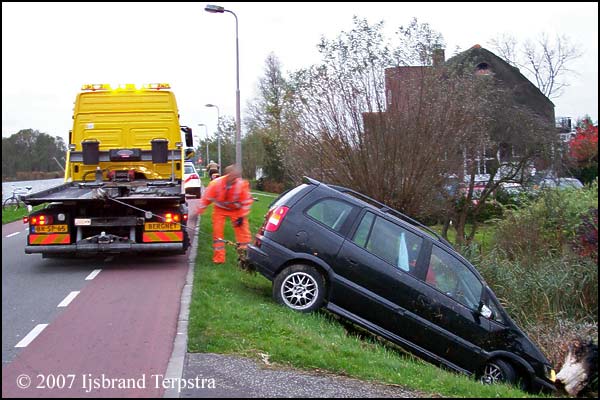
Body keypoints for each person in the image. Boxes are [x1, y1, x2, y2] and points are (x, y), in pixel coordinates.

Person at [196, 164, 253, 264]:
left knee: (243, 232)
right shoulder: (215, 184)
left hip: (236, 210)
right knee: (217, 233)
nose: (235, 178)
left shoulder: (241, 185)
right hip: (220, 209)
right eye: (233, 175)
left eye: (236, 176)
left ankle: (246, 257)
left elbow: (246, 202)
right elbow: (206, 199)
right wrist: (199, 210)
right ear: (228, 174)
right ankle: (219, 258)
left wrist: (242, 216)